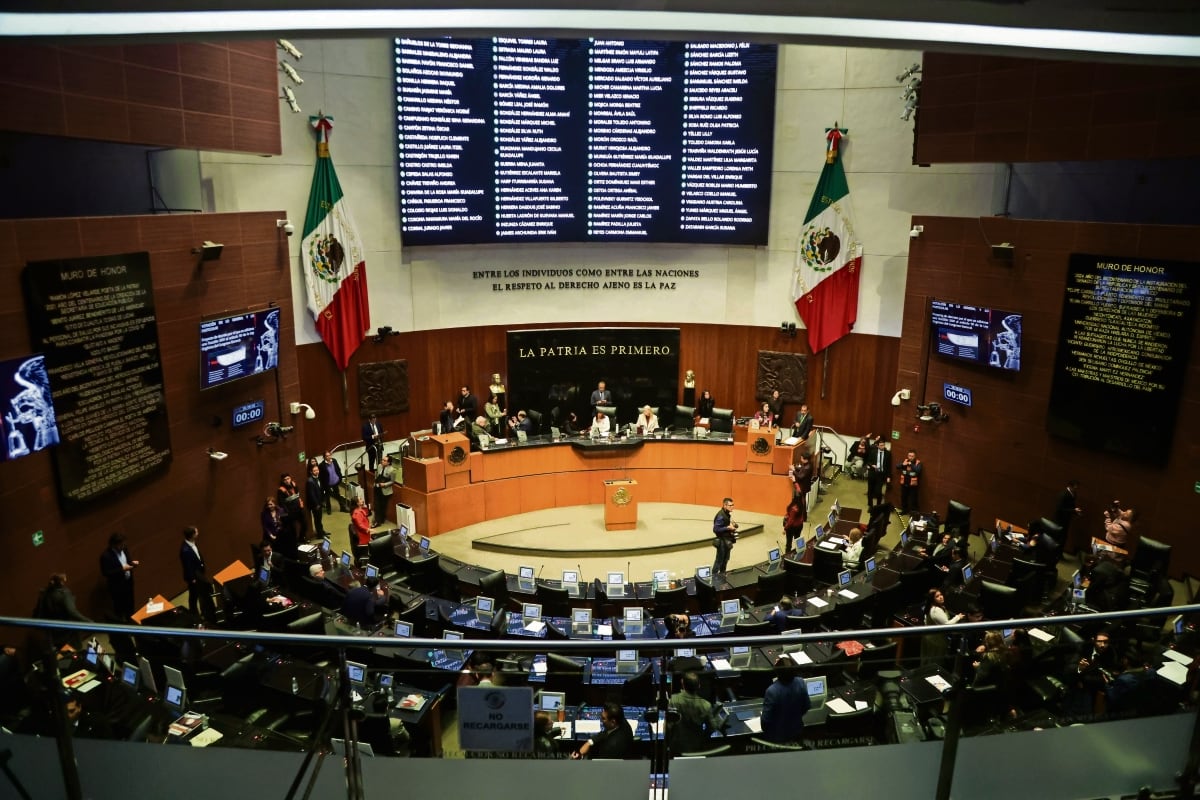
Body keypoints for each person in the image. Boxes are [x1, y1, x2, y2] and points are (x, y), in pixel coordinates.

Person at [667, 671, 724, 755]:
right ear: (699, 686)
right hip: (696, 746)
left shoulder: (672, 700)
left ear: (682, 684)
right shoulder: (705, 705)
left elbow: (668, 725)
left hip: (676, 746)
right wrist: (704, 736)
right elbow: (712, 727)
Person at [32, 573, 92, 647]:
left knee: (61, 650)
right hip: (67, 629)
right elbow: (72, 612)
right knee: (74, 648)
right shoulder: (64, 594)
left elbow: (38, 610)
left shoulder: (44, 593)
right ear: (61, 581)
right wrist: (88, 622)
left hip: (53, 631)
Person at [761, 657, 810, 744]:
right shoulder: (800, 682)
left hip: (777, 737)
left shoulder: (772, 691)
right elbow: (806, 706)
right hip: (797, 731)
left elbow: (765, 721)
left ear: (777, 671)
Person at [98, 532, 138, 620]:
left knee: (131, 607)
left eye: (124, 544)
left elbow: (127, 561)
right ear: (113, 545)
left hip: (128, 583)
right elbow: (106, 573)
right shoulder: (106, 556)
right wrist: (122, 569)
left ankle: (132, 623)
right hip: (117, 587)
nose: (123, 546)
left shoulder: (124, 549)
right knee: (120, 609)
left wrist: (132, 563)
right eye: (121, 545)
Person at [921, 588, 962, 665]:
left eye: (941, 595)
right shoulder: (936, 610)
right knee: (934, 662)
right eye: (937, 596)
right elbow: (947, 625)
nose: (941, 597)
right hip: (935, 640)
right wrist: (958, 617)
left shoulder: (933, 607)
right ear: (932, 599)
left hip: (930, 638)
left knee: (928, 659)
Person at [178, 526, 208, 617]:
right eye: (196, 532)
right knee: (194, 596)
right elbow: (187, 566)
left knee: (200, 593)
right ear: (192, 535)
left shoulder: (191, 543)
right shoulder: (185, 550)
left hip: (199, 573)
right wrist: (192, 579)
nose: (198, 533)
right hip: (194, 577)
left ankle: (204, 612)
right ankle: (194, 615)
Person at [711, 497, 738, 575]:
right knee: (719, 561)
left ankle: (722, 574)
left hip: (727, 540)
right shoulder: (721, 515)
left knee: (726, 559)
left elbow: (732, 524)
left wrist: (733, 525)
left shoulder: (727, 514)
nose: (732, 507)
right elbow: (715, 529)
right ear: (725, 505)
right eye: (730, 505)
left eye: (733, 505)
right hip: (722, 541)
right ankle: (714, 577)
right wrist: (727, 528)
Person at [1054, 479, 1082, 550]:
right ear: (1070, 486)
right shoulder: (1064, 494)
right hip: (1060, 519)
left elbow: (1072, 506)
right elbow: (1059, 509)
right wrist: (1073, 510)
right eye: (1075, 487)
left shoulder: (1073, 494)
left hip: (1066, 519)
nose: (1076, 489)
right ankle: (1055, 552)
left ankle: (1059, 552)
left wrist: (1076, 511)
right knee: (1058, 537)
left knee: (1063, 537)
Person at [866, 439, 892, 507]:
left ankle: (878, 505)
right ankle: (870, 504)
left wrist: (888, 476)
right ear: (877, 446)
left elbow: (889, 466)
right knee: (870, 490)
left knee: (878, 491)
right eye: (881, 445)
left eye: (883, 445)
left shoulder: (888, 454)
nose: (882, 447)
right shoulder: (873, 452)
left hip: (881, 475)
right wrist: (872, 465)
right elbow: (868, 461)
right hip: (872, 473)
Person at [897, 449, 922, 515]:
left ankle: (913, 513)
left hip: (913, 485)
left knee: (913, 500)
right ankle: (904, 510)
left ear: (915, 456)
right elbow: (897, 466)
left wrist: (911, 465)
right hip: (904, 484)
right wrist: (903, 464)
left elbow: (918, 470)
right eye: (909, 456)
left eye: (912, 456)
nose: (910, 457)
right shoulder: (905, 461)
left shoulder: (918, 463)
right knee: (903, 498)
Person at [373, 454, 395, 527]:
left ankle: (381, 519)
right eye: (382, 460)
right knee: (376, 505)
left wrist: (384, 484)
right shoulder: (379, 466)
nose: (382, 461)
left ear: (388, 462)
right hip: (377, 488)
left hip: (385, 490)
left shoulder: (392, 470)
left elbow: (392, 481)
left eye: (384, 460)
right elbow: (376, 475)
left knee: (382, 506)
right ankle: (377, 521)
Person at [306, 463, 326, 537]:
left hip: (319, 502)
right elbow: (312, 495)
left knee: (319, 519)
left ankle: (322, 531)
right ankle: (320, 534)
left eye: (317, 470)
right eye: (314, 471)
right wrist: (316, 504)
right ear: (311, 472)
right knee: (317, 519)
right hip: (316, 505)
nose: (317, 471)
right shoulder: (310, 481)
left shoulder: (318, 478)